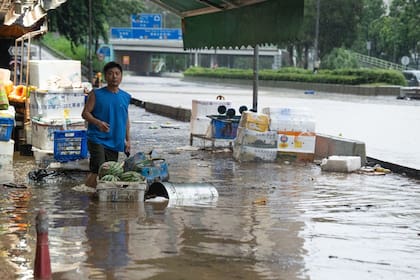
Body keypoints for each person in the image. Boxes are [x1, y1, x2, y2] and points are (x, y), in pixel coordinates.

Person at [82, 61, 131, 188]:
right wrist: (98, 123)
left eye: (117, 73)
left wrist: (127, 140)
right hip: (97, 138)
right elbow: (85, 113)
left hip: (115, 140)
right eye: (110, 74)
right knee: (100, 169)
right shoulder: (96, 94)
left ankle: (93, 194)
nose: (114, 76)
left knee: (109, 172)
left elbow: (125, 119)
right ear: (105, 76)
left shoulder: (125, 96)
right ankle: (89, 195)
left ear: (121, 76)